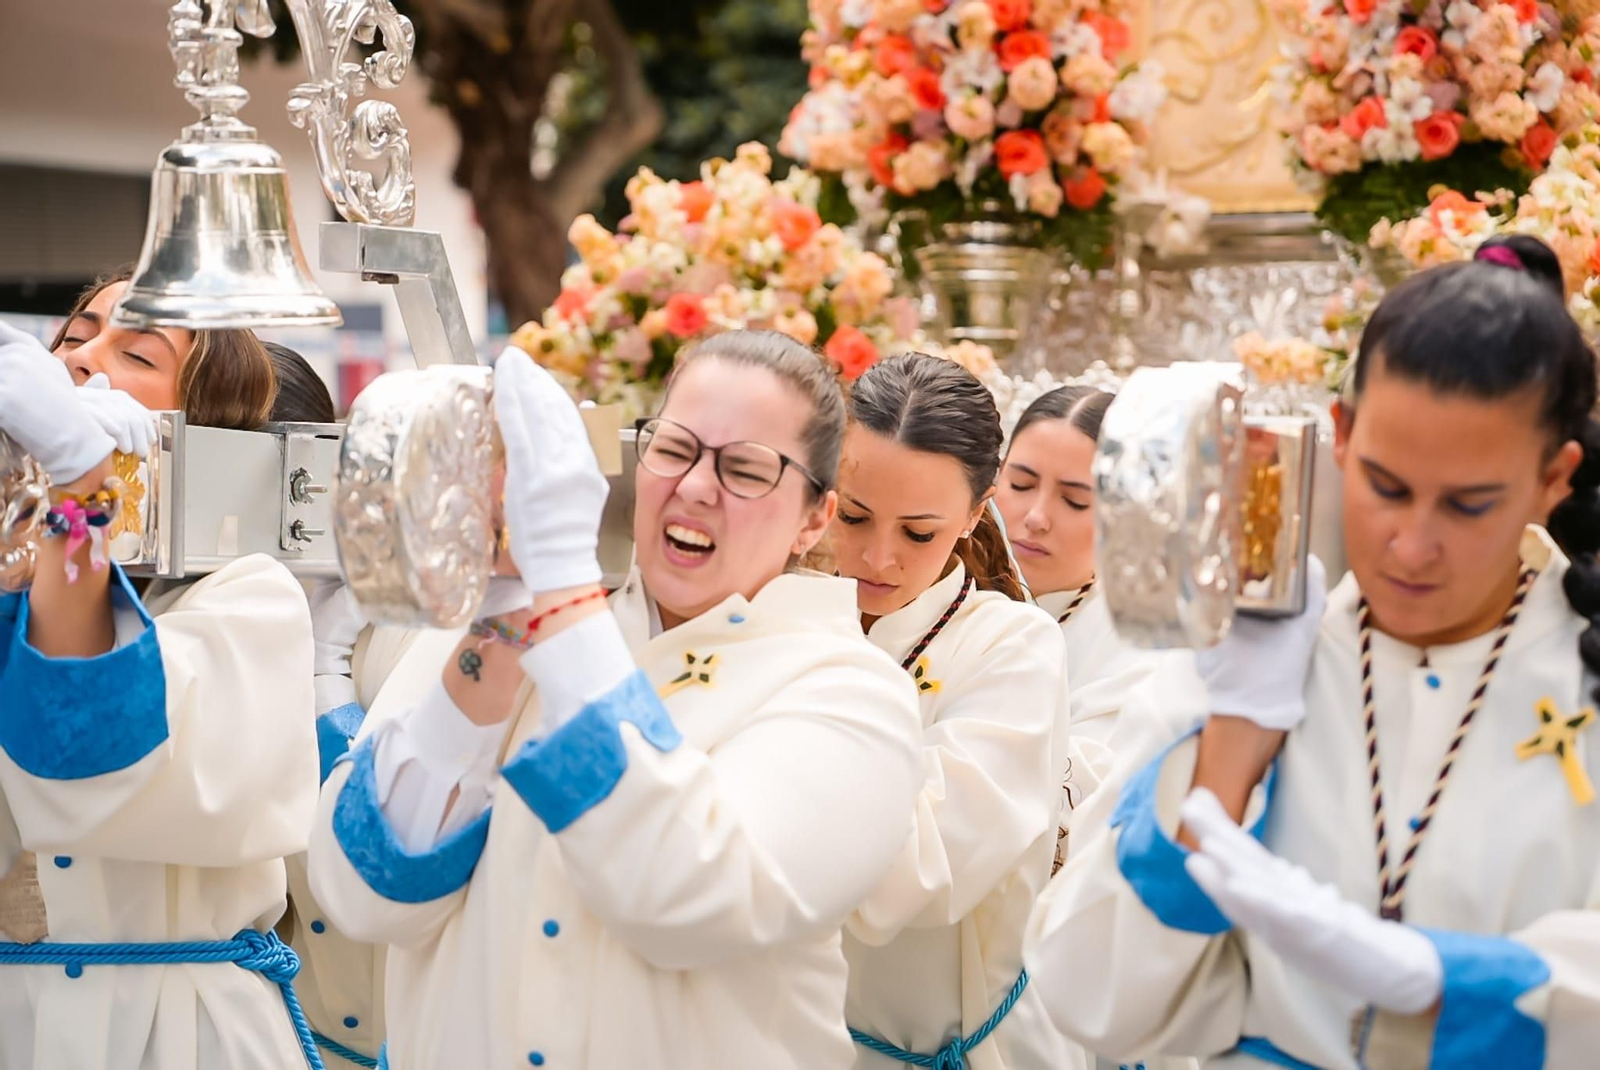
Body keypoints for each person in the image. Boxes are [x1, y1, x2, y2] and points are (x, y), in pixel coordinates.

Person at [1027, 238, 1600, 1069]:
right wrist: (1231, 743)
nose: (1412, 545)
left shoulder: (1581, 668)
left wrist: (1455, 982)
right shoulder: (1245, 665)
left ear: (1555, 477)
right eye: (1387, 487)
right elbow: (1091, 995)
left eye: (1469, 505)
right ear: (1341, 434)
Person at [307, 330, 926, 1068]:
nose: (695, 486)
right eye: (675, 449)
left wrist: (565, 593)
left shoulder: (855, 693)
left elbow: (681, 895)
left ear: (814, 518)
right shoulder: (526, 617)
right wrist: (504, 625)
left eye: (745, 469)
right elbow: (363, 892)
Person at [0, 272, 321, 1070]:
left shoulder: (251, 599)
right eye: (75, 338)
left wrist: (82, 494)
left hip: (182, 1033)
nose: (82, 360)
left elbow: (92, 743)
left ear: (197, 431)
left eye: (136, 353)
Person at [829, 353, 1081, 1070]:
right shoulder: (780, 611)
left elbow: (918, 874)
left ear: (976, 513)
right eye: (853, 517)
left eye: (918, 533)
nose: (878, 558)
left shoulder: (1014, 648)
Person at [995, 385, 1159, 841]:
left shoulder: (1134, 640)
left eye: (1075, 501)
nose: (1036, 517)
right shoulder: (937, 579)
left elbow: (1085, 795)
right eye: (1020, 485)